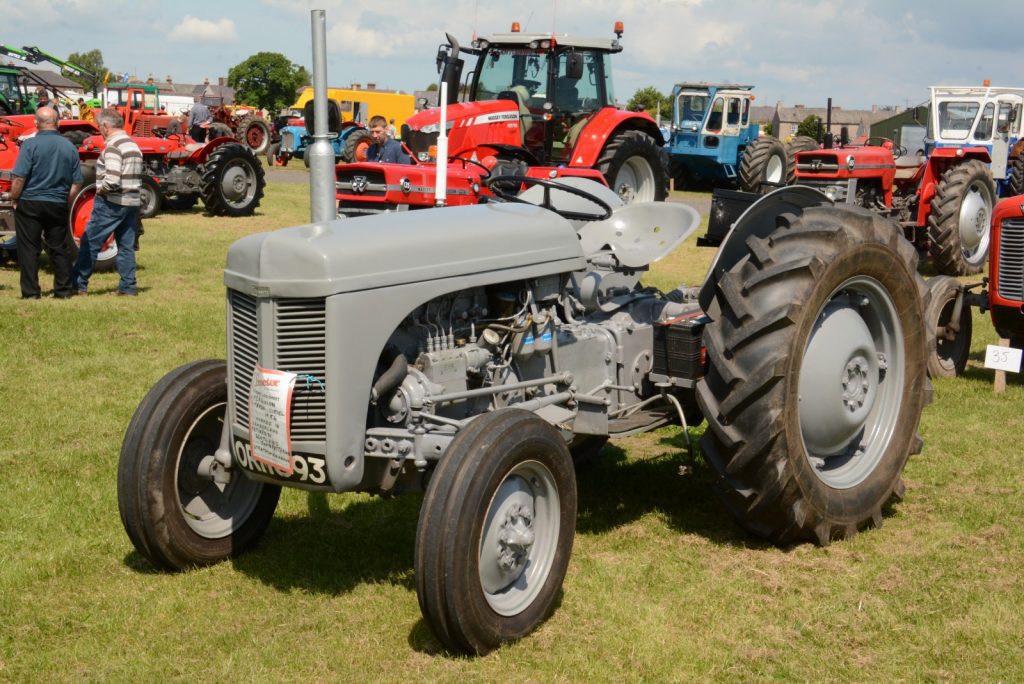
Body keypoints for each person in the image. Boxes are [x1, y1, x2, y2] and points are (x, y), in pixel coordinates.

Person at [7, 106, 83, 299]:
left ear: (36, 123)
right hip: (57, 202)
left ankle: (31, 292)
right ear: (57, 123)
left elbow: (19, 178)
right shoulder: (70, 147)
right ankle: (63, 290)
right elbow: (76, 183)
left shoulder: (30, 145)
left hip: (30, 201)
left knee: (28, 248)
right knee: (58, 247)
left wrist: (14, 198)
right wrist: (65, 202)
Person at [72, 109, 143, 296]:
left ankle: (79, 285)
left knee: (90, 242)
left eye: (99, 126)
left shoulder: (113, 146)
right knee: (125, 246)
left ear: (105, 126)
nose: (99, 131)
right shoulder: (133, 145)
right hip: (132, 202)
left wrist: (101, 190)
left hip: (112, 202)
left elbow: (112, 179)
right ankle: (128, 287)